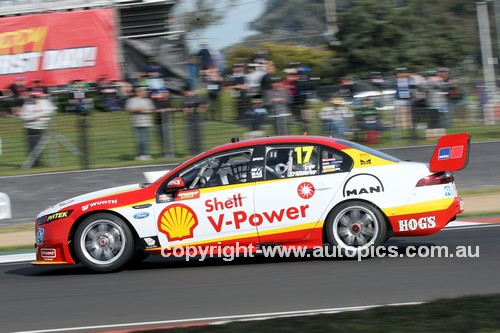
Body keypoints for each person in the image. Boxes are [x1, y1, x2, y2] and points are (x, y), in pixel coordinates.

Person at [18, 91, 56, 167]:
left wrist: (42, 116)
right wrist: (32, 118)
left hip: (41, 128)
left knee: (39, 146)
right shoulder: (27, 105)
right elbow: (22, 116)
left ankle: (38, 163)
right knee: (32, 146)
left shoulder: (45, 103)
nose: (35, 98)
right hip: (30, 128)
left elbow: (52, 110)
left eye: (37, 97)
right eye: (33, 97)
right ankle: (35, 163)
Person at [125, 87, 155, 161]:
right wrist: (139, 109)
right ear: (138, 92)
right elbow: (129, 109)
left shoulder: (148, 100)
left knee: (146, 140)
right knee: (140, 140)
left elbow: (151, 110)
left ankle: (146, 154)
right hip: (137, 122)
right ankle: (140, 154)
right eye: (143, 92)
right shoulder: (132, 100)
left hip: (146, 122)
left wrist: (144, 110)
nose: (145, 93)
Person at [182, 87, 208, 155]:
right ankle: (192, 153)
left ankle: (199, 152)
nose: (190, 92)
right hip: (190, 119)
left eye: (191, 91)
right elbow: (184, 109)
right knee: (191, 136)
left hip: (197, 118)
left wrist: (200, 109)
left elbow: (205, 105)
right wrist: (189, 110)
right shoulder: (185, 99)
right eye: (189, 91)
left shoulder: (198, 97)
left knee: (198, 135)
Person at [152, 87, 174, 157]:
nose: (165, 94)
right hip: (159, 122)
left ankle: (169, 152)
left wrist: (169, 109)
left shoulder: (168, 101)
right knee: (162, 138)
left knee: (168, 138)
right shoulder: (156, 101)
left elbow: (172, 108)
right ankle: (165, 153)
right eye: (164, 93)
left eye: (166, 93)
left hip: (167, 122)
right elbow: (155, 109)